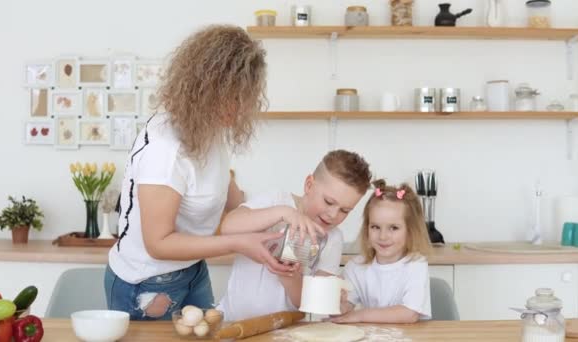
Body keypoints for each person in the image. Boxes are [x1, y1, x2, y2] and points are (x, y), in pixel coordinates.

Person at [104, 25, 294, 321]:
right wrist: (238, 243)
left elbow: (231, 198)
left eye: (245, 97)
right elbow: (158, 243)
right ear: (204, 89)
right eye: (234, 97)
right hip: (147, 283)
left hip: (192, 270)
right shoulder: (164, 150)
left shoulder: (207, 128)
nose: (241, 107)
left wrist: (284, 217)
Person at [217, 150, 372, 321]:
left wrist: (289, 275)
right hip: (231, 322)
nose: (333, 215)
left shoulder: (332, 239)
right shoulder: (276, 200)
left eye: (345, 210)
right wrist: (283, 213)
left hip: (282, 332)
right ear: (309, 185)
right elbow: (228, 227)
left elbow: (304, 304)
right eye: (328, 202)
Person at [331, 180, 433, 324]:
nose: (383, 236)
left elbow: (409, 314)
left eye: (393, 228)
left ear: (410, 230)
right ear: (367, 228)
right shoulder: (356, 267)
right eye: (375, 227)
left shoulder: (416, 265)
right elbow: (344, 307)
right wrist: (337, 304)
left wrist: (360, 315)